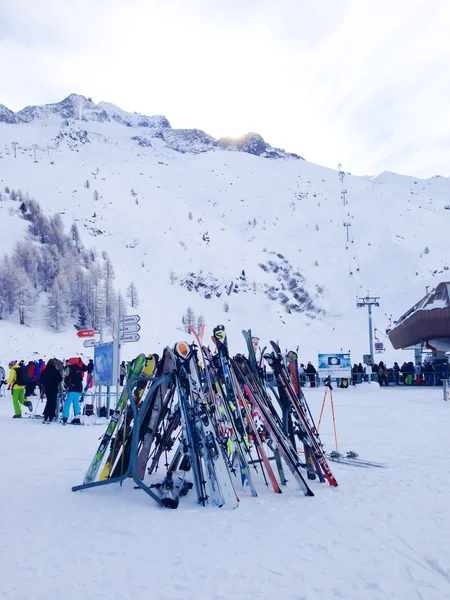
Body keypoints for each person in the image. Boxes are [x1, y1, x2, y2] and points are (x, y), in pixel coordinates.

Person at [62, 358, 87, 425]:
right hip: (79, 388)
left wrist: (67, 385)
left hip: (73, 388)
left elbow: (67, 377)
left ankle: (65, 417)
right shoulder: (79, 368)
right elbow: (80, 378)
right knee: (76, 403)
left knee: (68, 403)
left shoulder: (70, 369)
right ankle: (77, 417)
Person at [40, 358, 63, 423]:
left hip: (47, 388)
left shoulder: (45, 370)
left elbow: (41, 378)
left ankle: (46, 415)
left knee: (48, 401)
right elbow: (60, 379)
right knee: (53, 402)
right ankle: (51, 415)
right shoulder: (55, 371)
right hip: (54, 387)